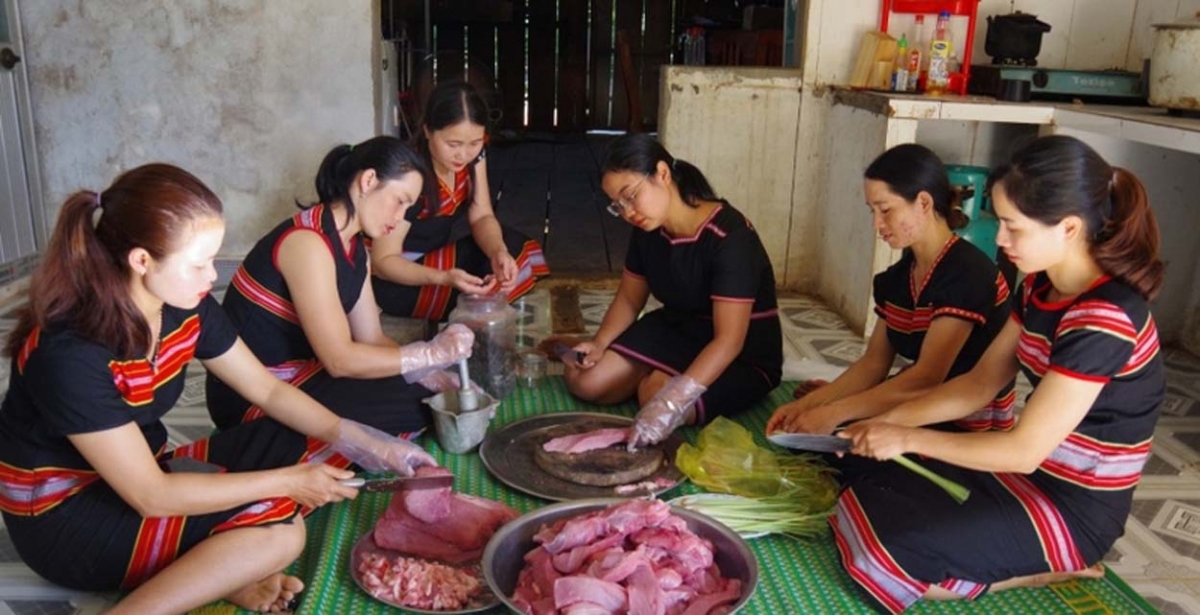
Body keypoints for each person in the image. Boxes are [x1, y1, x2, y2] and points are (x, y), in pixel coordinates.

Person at [0, 164, 439, 615]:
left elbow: (267, 391)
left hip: (148, 473)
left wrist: (360, 439)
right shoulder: (70, 351)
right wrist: (288, 482)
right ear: (141, 260)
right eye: (198, 264)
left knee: (294, 439)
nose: (213, 276)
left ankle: (222, 575)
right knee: (283, 530)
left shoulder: (185, 308)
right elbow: (150, 496)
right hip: (64, 518)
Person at [833, 135, 1165, 613]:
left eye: (1013, 226)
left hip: (1071, 510)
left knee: (884, 551)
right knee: (862, 470)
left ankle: (1039, 569)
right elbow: (979, 383)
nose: (1001, 239)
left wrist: (907, 438)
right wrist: (895, 423)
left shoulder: (1103, 318)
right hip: (1024, 478)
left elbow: (1024, 451)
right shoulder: (1038, 286)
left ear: (1069, 228)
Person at [206, 136, 475, 434]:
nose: (399, 220)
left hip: (303, 374)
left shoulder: (355, 248)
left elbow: (371, 337)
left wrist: (429, 371)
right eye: (400, 201)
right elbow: (339, 359)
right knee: (414, 408)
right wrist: (427, 353)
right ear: (369, 180)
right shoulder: (308, 243)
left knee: (425, 397)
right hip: (254, 391)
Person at [767, 144, 1014, 436]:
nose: (877, 224)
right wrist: (811, 405)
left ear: (923, 203)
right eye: (872, 211)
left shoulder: (967, 274)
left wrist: (835, 411)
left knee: (855, 455)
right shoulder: (898, 278)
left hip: (964, 422)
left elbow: (927, 379)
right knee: (823, 431)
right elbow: (873, 364)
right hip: (918, 402)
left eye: (885, 210)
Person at [563, 133, 782, 448]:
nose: (627, 212)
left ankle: (652, 373)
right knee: (586, 380)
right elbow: (629, 297)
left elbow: (729, 340)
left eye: (631, 195)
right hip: (680, 330)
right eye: (617, 205)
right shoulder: (648, 229)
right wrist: (600, 343)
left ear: (662, 174)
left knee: (656, 395)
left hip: (741, 354)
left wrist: (672, 401)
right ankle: (647, 368)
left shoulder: (730, 237)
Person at [370, 80, 549, 322]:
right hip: (394, 279)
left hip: (434, 258)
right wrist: (443, 277)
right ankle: (475, 306)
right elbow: (383, 262)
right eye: (453, 144)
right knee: (473, 285)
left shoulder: (475, 158)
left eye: (475, 143)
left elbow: (482, 215)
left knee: (509, 250)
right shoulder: (408, 174)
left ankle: (478, 300)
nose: (464, 154)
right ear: (427, 131)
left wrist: (498, 252)